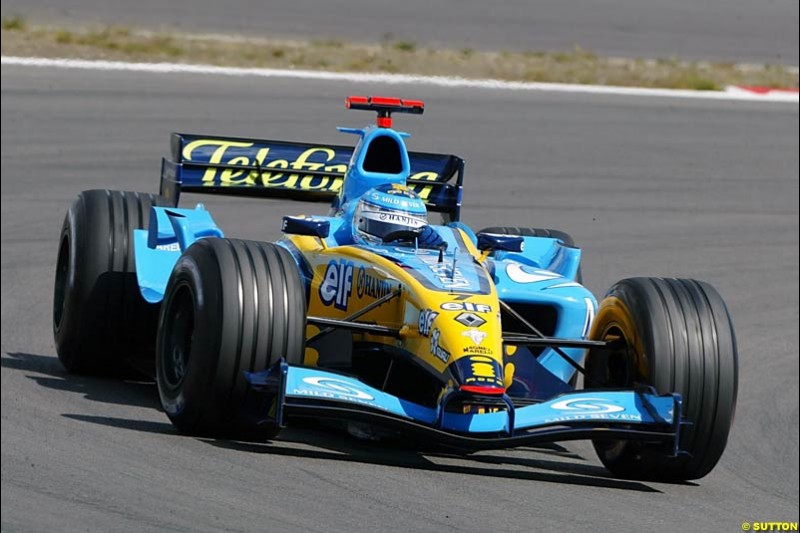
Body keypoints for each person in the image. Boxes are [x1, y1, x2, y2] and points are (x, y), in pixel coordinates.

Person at [351, 183, 445, 248]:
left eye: (404, 233)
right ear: (360, 220)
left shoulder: (429, 237)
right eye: (381, 228)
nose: (395, 243)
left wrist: (433, 249)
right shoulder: (337, 241)